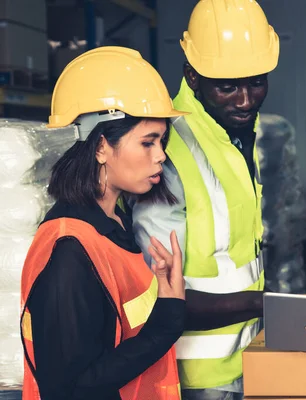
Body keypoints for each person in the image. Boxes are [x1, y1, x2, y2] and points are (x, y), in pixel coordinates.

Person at [20, 46, 189, 400]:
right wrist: (167, 322)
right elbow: (70, 388)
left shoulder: (112, 223)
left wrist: (164, 296)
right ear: (100, 147)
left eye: (162, 141)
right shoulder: (68, 250)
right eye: (147, 142)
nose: (160, 155)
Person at [130, 0, 279, 399]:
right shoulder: (168, 153)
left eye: (257, 81)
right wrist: (267, 303)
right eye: (228, 86)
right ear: (192, 77)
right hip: (194, 376)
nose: (246, 100)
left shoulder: (234, 135)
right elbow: (155, 294)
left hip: (246, 358)